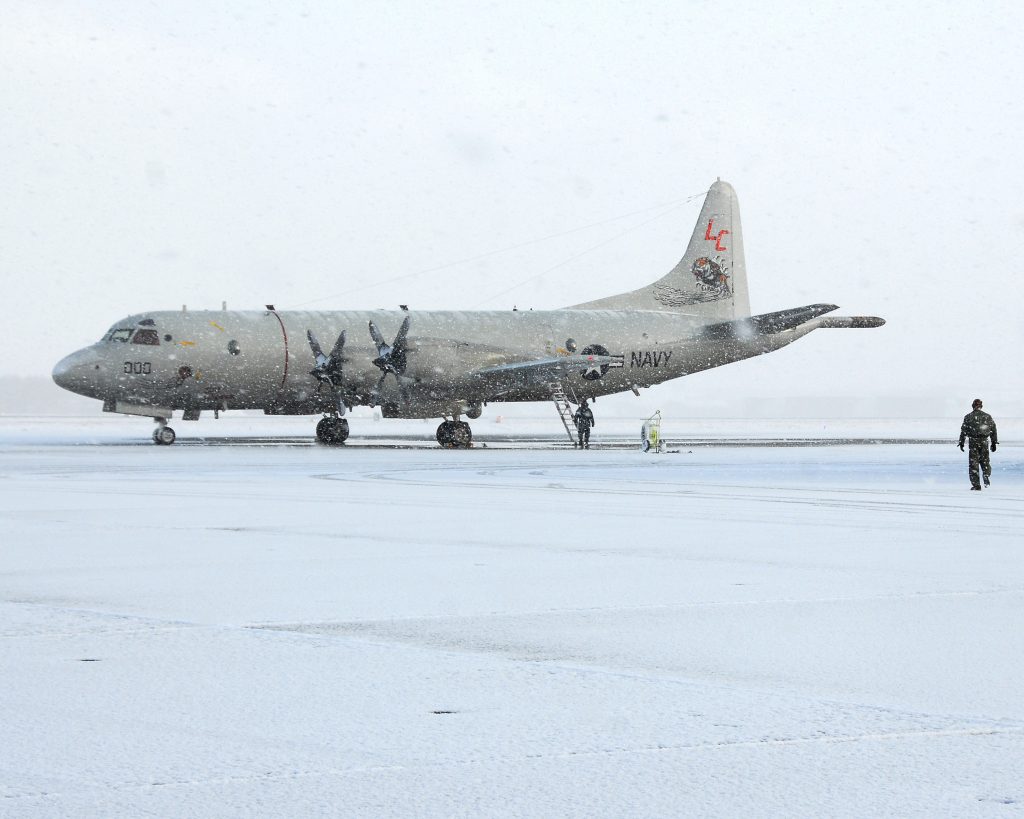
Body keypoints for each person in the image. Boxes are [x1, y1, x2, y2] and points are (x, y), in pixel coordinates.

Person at [959, 398, 998, 490]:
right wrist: (994, 442)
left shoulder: (968, 417)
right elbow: (993, 429)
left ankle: (976, 485)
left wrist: (961, 442)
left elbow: (963, 431)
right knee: (985, 461)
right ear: (981, 406)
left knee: (974, 464)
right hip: (984, 441)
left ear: (973, 406)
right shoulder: (987, 416)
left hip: (973, 441)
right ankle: (986, 474)